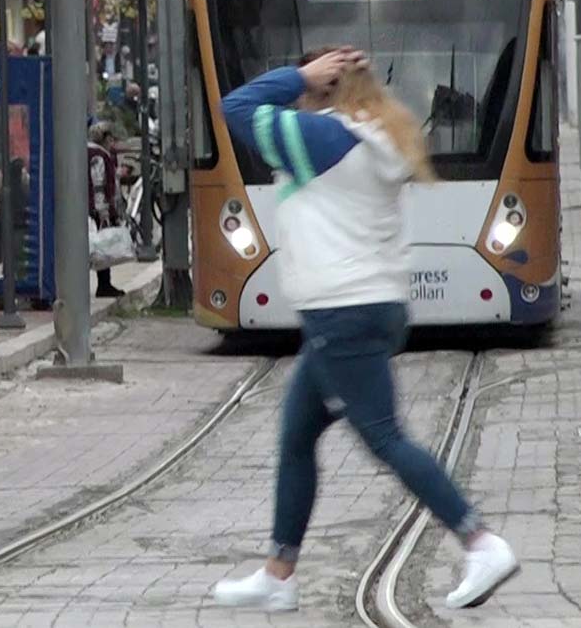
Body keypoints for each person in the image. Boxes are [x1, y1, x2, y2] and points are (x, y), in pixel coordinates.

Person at [211, 48, 517, 611]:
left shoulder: (321, 139)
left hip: (340, 311)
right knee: (297, 433)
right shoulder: (375, 134)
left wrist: (296, 73)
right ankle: (279, 572)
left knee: (384, 436)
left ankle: (479, 540)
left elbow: (234, 106)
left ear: (323, 90)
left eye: (306, 88)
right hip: (371, 306)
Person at [87, 122, 126, 298]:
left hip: (90, 207)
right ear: (106, 138)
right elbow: (98, 184)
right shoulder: (99, 156)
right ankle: (104, 285)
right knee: (101, 246)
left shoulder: (88, 152)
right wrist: (104, 212)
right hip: (96, 208)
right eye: (111, 139)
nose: (113, 143)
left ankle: (104, 284)